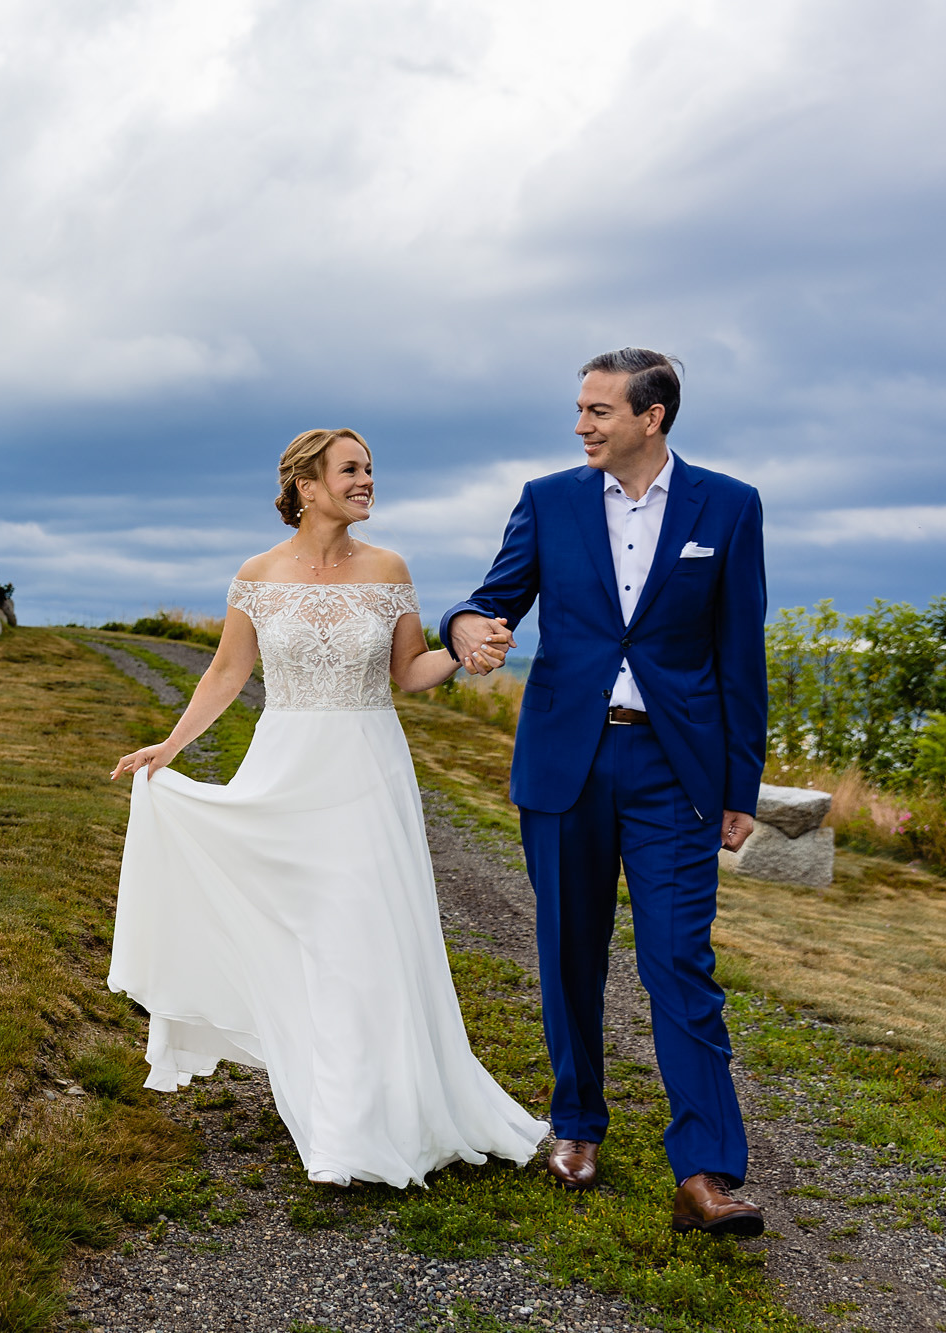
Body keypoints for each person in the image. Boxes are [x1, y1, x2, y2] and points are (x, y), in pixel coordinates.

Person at [108, 428, 545, 1189]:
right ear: (306, 485)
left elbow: (410, 671)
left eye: (371, 469)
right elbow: (224, 672)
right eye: (351, 470)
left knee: (359, 935)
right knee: (306, 934)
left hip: (367, 771)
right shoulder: (257, 573)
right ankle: (333, 1098)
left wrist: (466, 656)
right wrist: (169, 749)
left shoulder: (390, 569)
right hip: (286, 767)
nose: (367, 480)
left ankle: (361, 1123)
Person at [440, 349, 767, 1236]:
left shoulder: (729, 506)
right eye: (580, 409)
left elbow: (740, 653)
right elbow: (492, 597)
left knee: (679, 965)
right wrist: (467, 626)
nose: (581, 424)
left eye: (597, 410)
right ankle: (578, 1125)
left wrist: (743, 786)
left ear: (650, 417)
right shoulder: (547, 500)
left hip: (676, 772)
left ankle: (705, 1170)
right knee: (569, 953)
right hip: (565, 763)